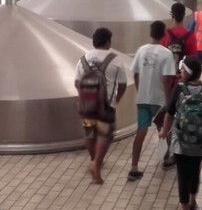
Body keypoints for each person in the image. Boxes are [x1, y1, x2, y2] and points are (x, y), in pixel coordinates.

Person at [159, 55, 202, 210]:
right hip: (200, 142)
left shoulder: (179, 90)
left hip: (181, 142)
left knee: (183, 175)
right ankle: (192, 201)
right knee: (195, 171)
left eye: (183, 70)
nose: (180, 72)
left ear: (189, 73)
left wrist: (164, 131)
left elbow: (170, 114)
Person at [75, 27, 127, 185]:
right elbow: (122, 84)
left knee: (90, 133)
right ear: (108, 42)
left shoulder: (83, 59)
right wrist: (116, 99)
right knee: (105, 135)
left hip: (86, 107)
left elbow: (77, 83)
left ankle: (93, 159)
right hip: (106, 106)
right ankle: (96, 164)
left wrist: (85, 98)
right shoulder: (115, 59)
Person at [128, 21, 177, 181]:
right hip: (160, 101)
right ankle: (166, 159)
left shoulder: (141, 50)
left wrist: (140, 90)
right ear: (164, 34)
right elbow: (167, 79)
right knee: (164, 129)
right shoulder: (166, 53)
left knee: (140, 132)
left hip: (143, 99)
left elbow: (135, 73)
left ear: (150, 33)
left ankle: (134, 167)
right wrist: (169, 102)